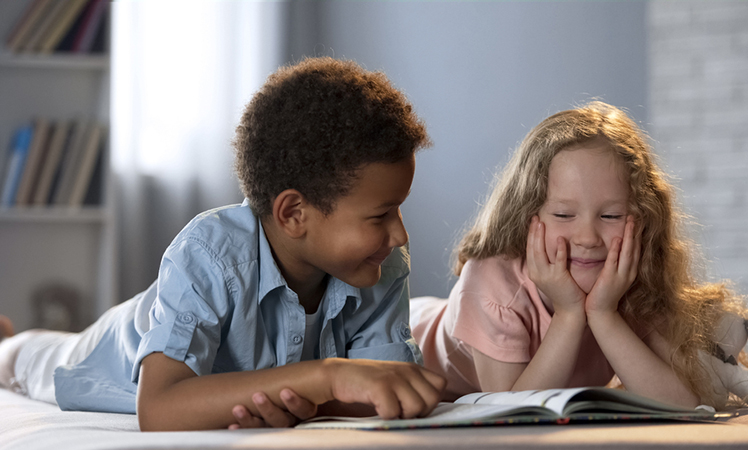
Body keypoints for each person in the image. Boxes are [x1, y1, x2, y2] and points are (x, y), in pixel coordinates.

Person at [0, 57, 445, 431]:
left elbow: (384, 391)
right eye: (380, 215)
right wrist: (326, 378)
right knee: (26, 358)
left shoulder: (381, 264)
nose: (400, 235)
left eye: (399, 210)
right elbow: (159, 408)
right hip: (111, 353)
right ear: (293, 214)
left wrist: (301, 399)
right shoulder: (210, 251)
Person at [411, 101, 748, 410]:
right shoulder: (492, 283)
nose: (588, 238)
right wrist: (569, 314)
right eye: (563, 215)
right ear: (526, 214)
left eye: (611, 216)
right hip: (415, 336)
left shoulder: (633, 278)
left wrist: (604, 313)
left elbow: (682, 403)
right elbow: (511, 410)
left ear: (644, 216)